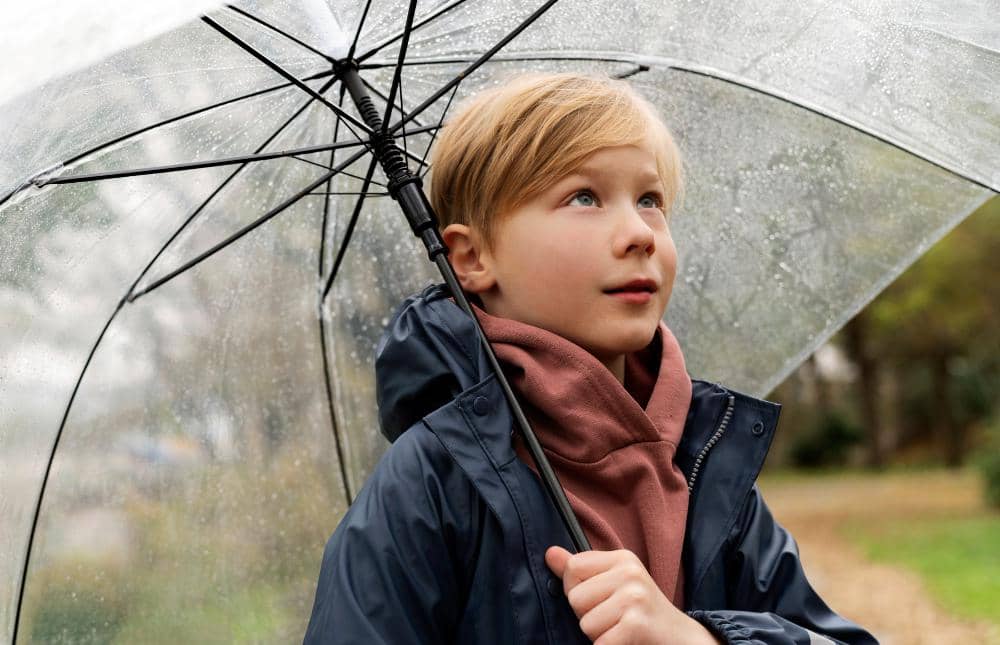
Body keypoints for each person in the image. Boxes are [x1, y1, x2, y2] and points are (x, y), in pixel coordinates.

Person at [304, 73, 877, 644]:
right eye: (585, 197)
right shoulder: (430, 491)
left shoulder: (702, 462)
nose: (638, 233)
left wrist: (699, 640)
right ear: (472, 257)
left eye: (650, 200)